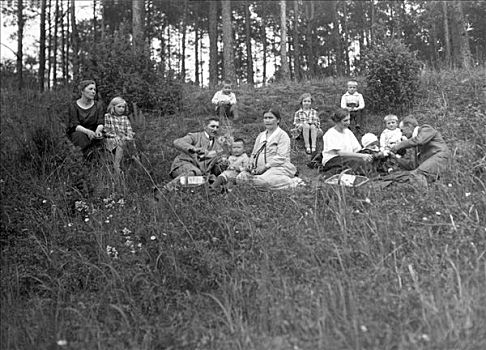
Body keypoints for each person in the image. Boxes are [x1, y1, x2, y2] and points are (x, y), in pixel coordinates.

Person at [237, 108, 304, 190]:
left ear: (278, 120)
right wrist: (251, 163)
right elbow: (253, 153)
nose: (267, 121)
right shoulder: (261, 135)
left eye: (270, 118)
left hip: (278, 168)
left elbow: (281, 158)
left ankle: (293, 182)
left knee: (262, 181)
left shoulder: (282, 135)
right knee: (240, 178)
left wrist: (265, 167)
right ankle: (259, 183)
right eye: (265, 118)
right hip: (258, 169)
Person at [165, 117, 225, 191]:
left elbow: (214, 168)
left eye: (217, 127)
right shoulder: (195, 136)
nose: (215, 129)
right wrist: (194, 149)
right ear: (205, 126)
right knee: (195, 173)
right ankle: (164, 190)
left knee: (207, 181)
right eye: (212, 126)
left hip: (201, 175)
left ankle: (180, 193)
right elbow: (177, 142)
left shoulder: (218, 146)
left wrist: (222, 164)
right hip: (182, 166)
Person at [390, 116, 450, 187]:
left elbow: (419, 140)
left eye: (402, 130)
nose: (402, 134)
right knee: (413, 174)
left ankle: (423, 195)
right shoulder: (415, 144)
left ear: (409, 126)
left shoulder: (426, 129)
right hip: (433, 162)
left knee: (417, 174)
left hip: (440, 157)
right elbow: (413, 165)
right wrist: (395, 158)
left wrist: (399, 145)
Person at [321, 109, 373, 175]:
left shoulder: (348, 132)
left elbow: (357, 149)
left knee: (371, 156)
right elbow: (340, 153)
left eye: (349, 119)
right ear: (337, 121)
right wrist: (361, 156)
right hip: (333, 159)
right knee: (357, 162)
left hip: (348, 157)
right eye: (345, 121)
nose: (348, 122)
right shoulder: (330, 134)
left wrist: (368, 153)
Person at [66, 79, 105, 154]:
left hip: (94, 133)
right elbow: (75, 125)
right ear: (82, 91)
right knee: (80, 136)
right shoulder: (74, 106)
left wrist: (98, 131)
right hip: (80, 132)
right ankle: (83, 160)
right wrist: (87, 132)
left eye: (94, 90)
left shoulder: (98, 105)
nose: (93, 92)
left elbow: (100, 122)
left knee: (102, 139)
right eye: (90, 89)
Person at [104, 97, 135, 175]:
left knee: (124, 142)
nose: (121, 109)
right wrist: (115, 136)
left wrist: (127, 136)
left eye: (123, 107)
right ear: (113, 107)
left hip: (123, 139)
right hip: (111, 139)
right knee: (119, 143)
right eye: (119, 107)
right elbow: (106, 130)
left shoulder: (125, 118)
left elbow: (129, 131)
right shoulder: (108, 116)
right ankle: (116, 165)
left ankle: (133, 166)